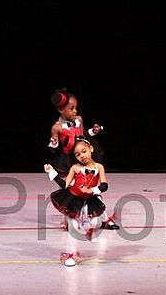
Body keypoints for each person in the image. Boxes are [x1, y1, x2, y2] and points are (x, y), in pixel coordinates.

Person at [47, 88, 118, 231]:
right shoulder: (57, 127)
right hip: (69, 160)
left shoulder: (79, 120)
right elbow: (54, 148)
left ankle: (104, 219)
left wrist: (93, 131)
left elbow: (84, 135)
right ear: (61, 110)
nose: (75, 111)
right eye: (71, 108)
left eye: (76, 108)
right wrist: (54, 143)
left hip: (84, 156)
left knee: (92, 190)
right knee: (71, 192)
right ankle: (69, 220)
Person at [45, 137, 109, 267]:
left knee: (95, 222)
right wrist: (52, 172)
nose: (81, 156)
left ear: (91, 148)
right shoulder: (75, 168)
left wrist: (91, 191)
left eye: (84, 151)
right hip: (73, 199)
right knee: (73, 227)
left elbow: (104, 185)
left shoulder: (99, 167)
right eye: (77, 154)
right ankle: (72, 253)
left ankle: (87, 229)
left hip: (90, 199)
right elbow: (64, 185)